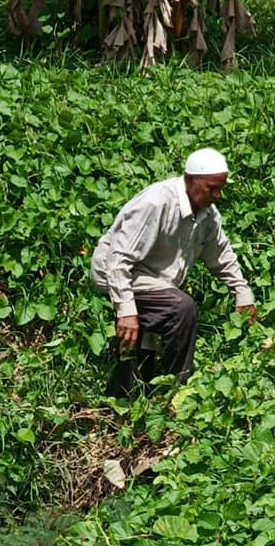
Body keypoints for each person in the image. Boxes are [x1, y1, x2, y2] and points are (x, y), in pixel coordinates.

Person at [91, 148, 257, 398]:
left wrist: (242, 292)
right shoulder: (156, 202)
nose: (217, 195)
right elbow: (119, 258)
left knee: (141, 348)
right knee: (180, 308)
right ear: (190, 179)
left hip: (155, 280)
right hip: (116, 272)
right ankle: (178, 390)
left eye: (220, 188)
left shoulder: (207, 215)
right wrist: (125, 310)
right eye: (211, 188)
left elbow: (221, 254)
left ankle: (125, 397)